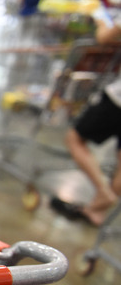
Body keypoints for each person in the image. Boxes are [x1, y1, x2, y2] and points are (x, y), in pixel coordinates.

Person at [52, 12, 121, 226]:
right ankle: (96, 210)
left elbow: (105, 37)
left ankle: (102, 192)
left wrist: (101, 19)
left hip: (118, 101)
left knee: (75, 138)